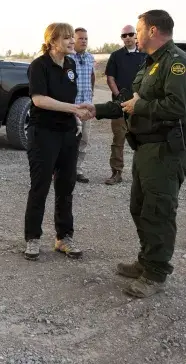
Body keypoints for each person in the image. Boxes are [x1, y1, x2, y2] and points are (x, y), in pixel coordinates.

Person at [78, 10, 186, 298]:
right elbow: (129, 101)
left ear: (153, 30)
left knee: (158, 210)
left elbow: (178, 106)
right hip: (146, 148)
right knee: (140, 208)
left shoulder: (177, 63)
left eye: (140, 29)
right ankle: (146, 260)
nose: (136, 35)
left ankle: (156, 272)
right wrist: (99, 110)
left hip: (167, 149)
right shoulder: (151, 63)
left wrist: (140, 107)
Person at [23, 22, 92, 261]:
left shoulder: (70, 64)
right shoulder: (39, 66)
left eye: (72, 37)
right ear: (52, 42)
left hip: (67, 133)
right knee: (40, 186)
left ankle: (64, 238)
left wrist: (77, 118)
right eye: (66, 38)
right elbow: (40, 100)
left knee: (66, 186)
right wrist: (74, 108)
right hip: (43, 133)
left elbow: (68, 97)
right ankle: (32, 239)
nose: (72, 41)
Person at [102, 25, 147, 185]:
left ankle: (143, 175)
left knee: (144, 141)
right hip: (120, 105)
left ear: (135, 35)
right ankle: (116, 173)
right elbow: (110, 78)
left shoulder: (145, 55)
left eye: (130, 34)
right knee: (118, 139)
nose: (127, 37)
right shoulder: (116, 56)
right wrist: (118, 95)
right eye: (124, 35)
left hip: (141, 105)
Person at [72, 27, 95, 183]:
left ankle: (77, 170)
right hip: (71, 106)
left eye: (86, 38)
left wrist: (91, 96)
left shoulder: (90, 58)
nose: (84, 41)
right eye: (80, 38)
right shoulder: (67, 58)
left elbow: (92, 76)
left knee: (84, 140)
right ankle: (60, 170)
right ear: (73, 40)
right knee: (68, 140)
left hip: (86, 107)